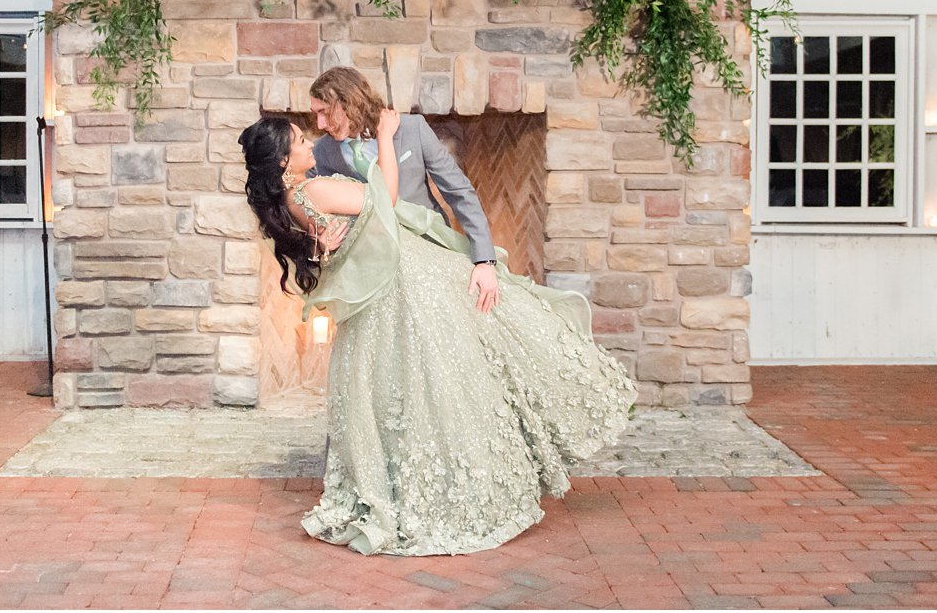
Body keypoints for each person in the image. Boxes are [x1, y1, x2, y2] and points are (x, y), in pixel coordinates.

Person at [237, 109, 637, 557]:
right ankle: (462, 488)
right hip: (409, 282)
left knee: (422, 385)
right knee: (454, 371)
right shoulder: (314, 187)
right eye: (299, 140)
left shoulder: (289, 202)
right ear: (285, 159)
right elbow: (384, 199)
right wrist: (386, 138)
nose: (310, 140)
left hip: (390, 290)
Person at [308, 66, 501, 313]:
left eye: (324, 112)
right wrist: (319, 238)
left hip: (431, 256)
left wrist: (484, 261)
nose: (320, 124)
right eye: (315, 114)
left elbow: (459, 192)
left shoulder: (412, 129)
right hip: (374, 274)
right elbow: (314, 215)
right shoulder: (322, 153)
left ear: (348, 102)